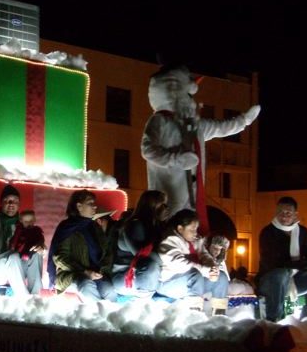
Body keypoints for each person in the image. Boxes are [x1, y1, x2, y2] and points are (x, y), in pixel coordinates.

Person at [141, 64, 260, 234]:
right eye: (188, 94)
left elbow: (221, 127)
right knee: (169, 232)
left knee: (191, 232)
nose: (191, 100)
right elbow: (148, 150)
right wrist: (176, 159)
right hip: (168, 194)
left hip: (193, 197)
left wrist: (243, 121)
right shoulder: (160, 120)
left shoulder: (195, 126)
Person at [256, 196, 307, 322]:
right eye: (280, 212)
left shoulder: (302, 232)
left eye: (288, 213)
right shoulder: (268, 232)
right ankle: (275, 319)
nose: (283, 216)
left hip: (296, 279)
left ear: (295, 214)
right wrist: (298, 264)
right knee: (281, 273)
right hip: (271, 280)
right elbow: (271, 261)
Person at [48, 190, 117, 302]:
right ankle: (99, 317)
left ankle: (107, 317)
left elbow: (106, 252)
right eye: (90, 203)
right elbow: (60, 257)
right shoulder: (67, 227)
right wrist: (84, 271)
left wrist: (101, 270)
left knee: (110, 291)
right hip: (72, 274)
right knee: (87, 285)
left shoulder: (94, 226)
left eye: (94, 204)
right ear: (79, 206)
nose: (95, 207)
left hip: (95, 273)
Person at [157, 209, 228, 312]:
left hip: (194, 281)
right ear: (180, 229)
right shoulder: (169, 241)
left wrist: (213, 268)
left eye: (196, 229)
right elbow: (181, 265)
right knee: (195, 275)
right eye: (192, 230)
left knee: (221, 277)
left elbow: (204, 255)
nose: (195, 233)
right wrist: (205, 270)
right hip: (170, 282)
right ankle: (194, 315)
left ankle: (219, 313)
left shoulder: (195, 241)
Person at [111, 190, 169, 298]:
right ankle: (143, 305)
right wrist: (170, 262)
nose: (166, 208)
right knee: (151, 265)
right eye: (163, 204)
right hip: (125, 276)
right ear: (152, 206)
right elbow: (143, 255)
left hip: (150, 275)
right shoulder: (134, 225)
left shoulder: (158, 225)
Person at [203, 234, 232, 315]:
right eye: (214, 248)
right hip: (200, 283)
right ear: (208, 246)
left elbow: (227, 279)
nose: (217, 251)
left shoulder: (220, 261)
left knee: (222, 277)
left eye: (220, 249)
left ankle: (219, 313)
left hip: (216, 284)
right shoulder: (202, 256)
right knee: (221, 277)